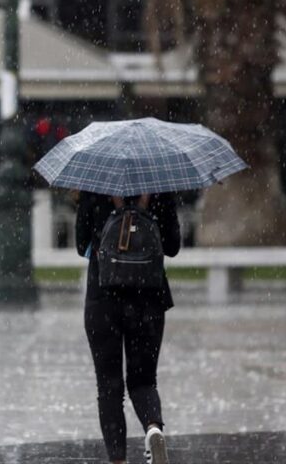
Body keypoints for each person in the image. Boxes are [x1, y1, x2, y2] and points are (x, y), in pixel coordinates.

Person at [76, 191, 181, 464]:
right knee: (144, 380)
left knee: (109, 386)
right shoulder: (159, 183)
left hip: (103, 297)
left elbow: (80, 244)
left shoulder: (95, 183)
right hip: (149, 298)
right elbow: (172, 245)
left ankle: (118, 460)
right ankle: (153, 428)